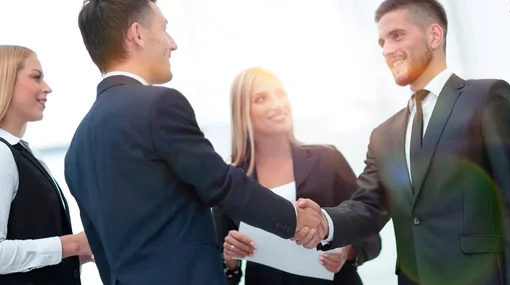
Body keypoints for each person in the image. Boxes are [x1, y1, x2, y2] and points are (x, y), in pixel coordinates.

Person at [65, 1, 325, 285]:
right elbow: (221, 184)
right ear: (137, 34)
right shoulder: (159, 105)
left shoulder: (77, 146)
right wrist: (296, 219)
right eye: (164, 29)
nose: (172, 44)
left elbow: (101, 246)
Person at [297, 0, 510, 284]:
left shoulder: (486, 97)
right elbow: (367, 205)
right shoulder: (384, 135)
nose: (387, 50)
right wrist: (324, 221)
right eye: (382, 42)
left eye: (397, 35)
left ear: (434, 36)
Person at [212, 67, 381, 285]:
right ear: (242, 111)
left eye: (280, 93)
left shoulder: (327, 158)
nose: (277, 104)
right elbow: (219, 271)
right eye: (261, 98)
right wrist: (230, 259)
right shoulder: (229, 181)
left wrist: (346, 252)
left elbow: (370, 233)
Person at [0, 45, 93, 284]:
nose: (47, 88)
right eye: (36, 77)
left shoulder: (25, 153)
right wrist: (72, 244)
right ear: (6, 80)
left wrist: (79, 253)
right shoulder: (2, 154)